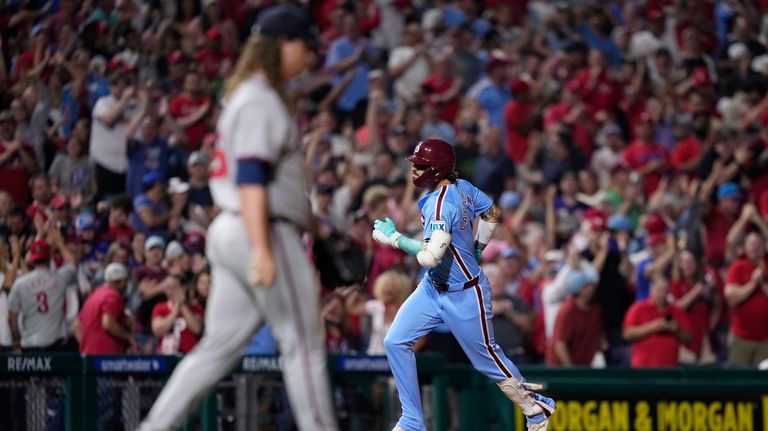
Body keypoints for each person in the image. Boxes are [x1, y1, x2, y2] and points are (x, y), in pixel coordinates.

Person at [139, 5, 339, 431]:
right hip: (259, 229)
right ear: (280, 44)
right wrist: (263, 249)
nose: (310, 56)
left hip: (236, 230)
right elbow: (251, 177)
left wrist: (316, 229)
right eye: (305, 45)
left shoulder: (248, 96)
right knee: (303, 343)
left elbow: (271, 180)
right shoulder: (260, 99)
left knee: (217, 349)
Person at [372, 138, 555, 431]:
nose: (414, 171)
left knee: (487, 359)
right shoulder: (463, 187)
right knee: (395, 341)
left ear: (436, 168)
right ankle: (411, 420)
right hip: (432, 289)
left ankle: (536, 409)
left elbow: (430, 256)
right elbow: (492, 214)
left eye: (420, 166)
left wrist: (394, 239)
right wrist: (478, 247)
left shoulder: (441, 203)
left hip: (465, 294)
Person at [72, 262, 135, 354]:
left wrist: (89, 345)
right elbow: (108, 323)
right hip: (107, 358)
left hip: (89, 356)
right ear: (123, 281)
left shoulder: (94, 296)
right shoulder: (113, 296)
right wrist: (127, 336)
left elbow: (76, 326)